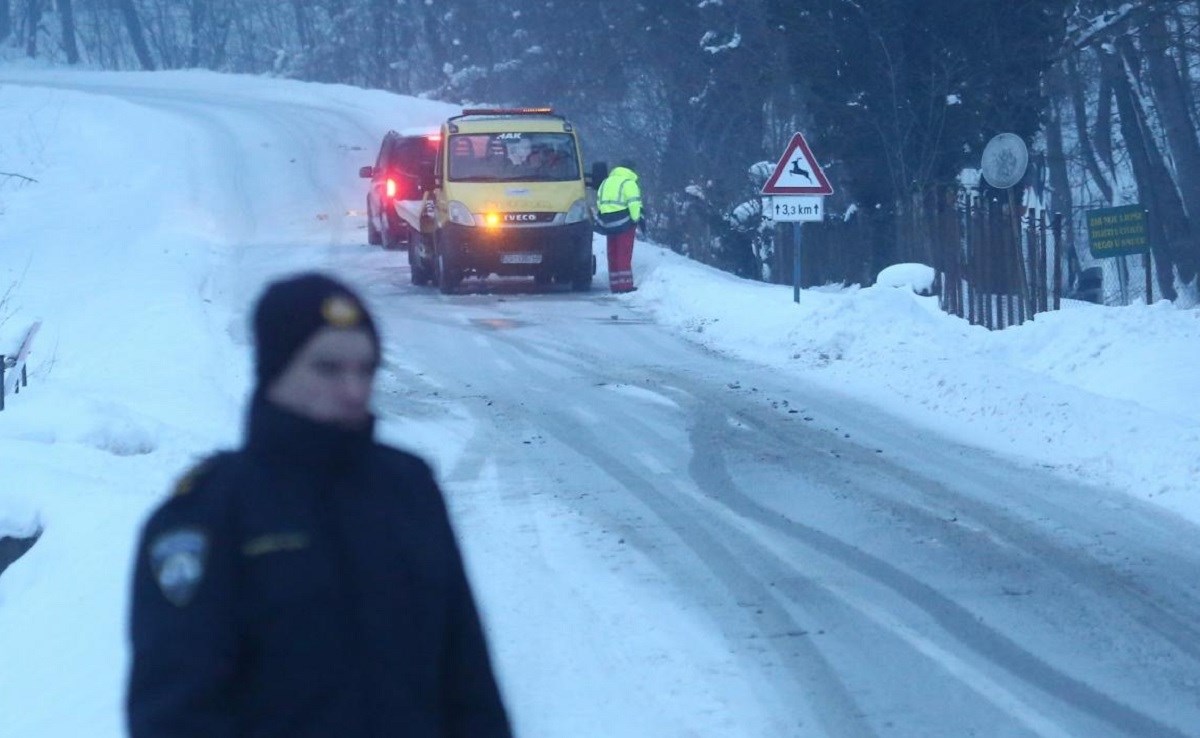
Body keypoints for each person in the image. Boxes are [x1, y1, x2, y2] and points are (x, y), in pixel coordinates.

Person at [126, 272, 512, 738]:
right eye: (328, 369)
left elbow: (468, 681)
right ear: (275, 369)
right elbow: (174, 713)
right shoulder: (207, 516)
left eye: (365, 369)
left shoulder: (409, 488)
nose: (354, 390)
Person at [595, 161, 644, 293]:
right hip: (624, 223)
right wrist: (635, 219)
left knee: (613, 252)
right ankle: (625, 285)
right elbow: (634, 204)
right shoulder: (629, 183)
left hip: (608, 223)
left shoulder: (606, 182)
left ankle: (615, 284)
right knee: (624, 252)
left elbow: (599, 202)